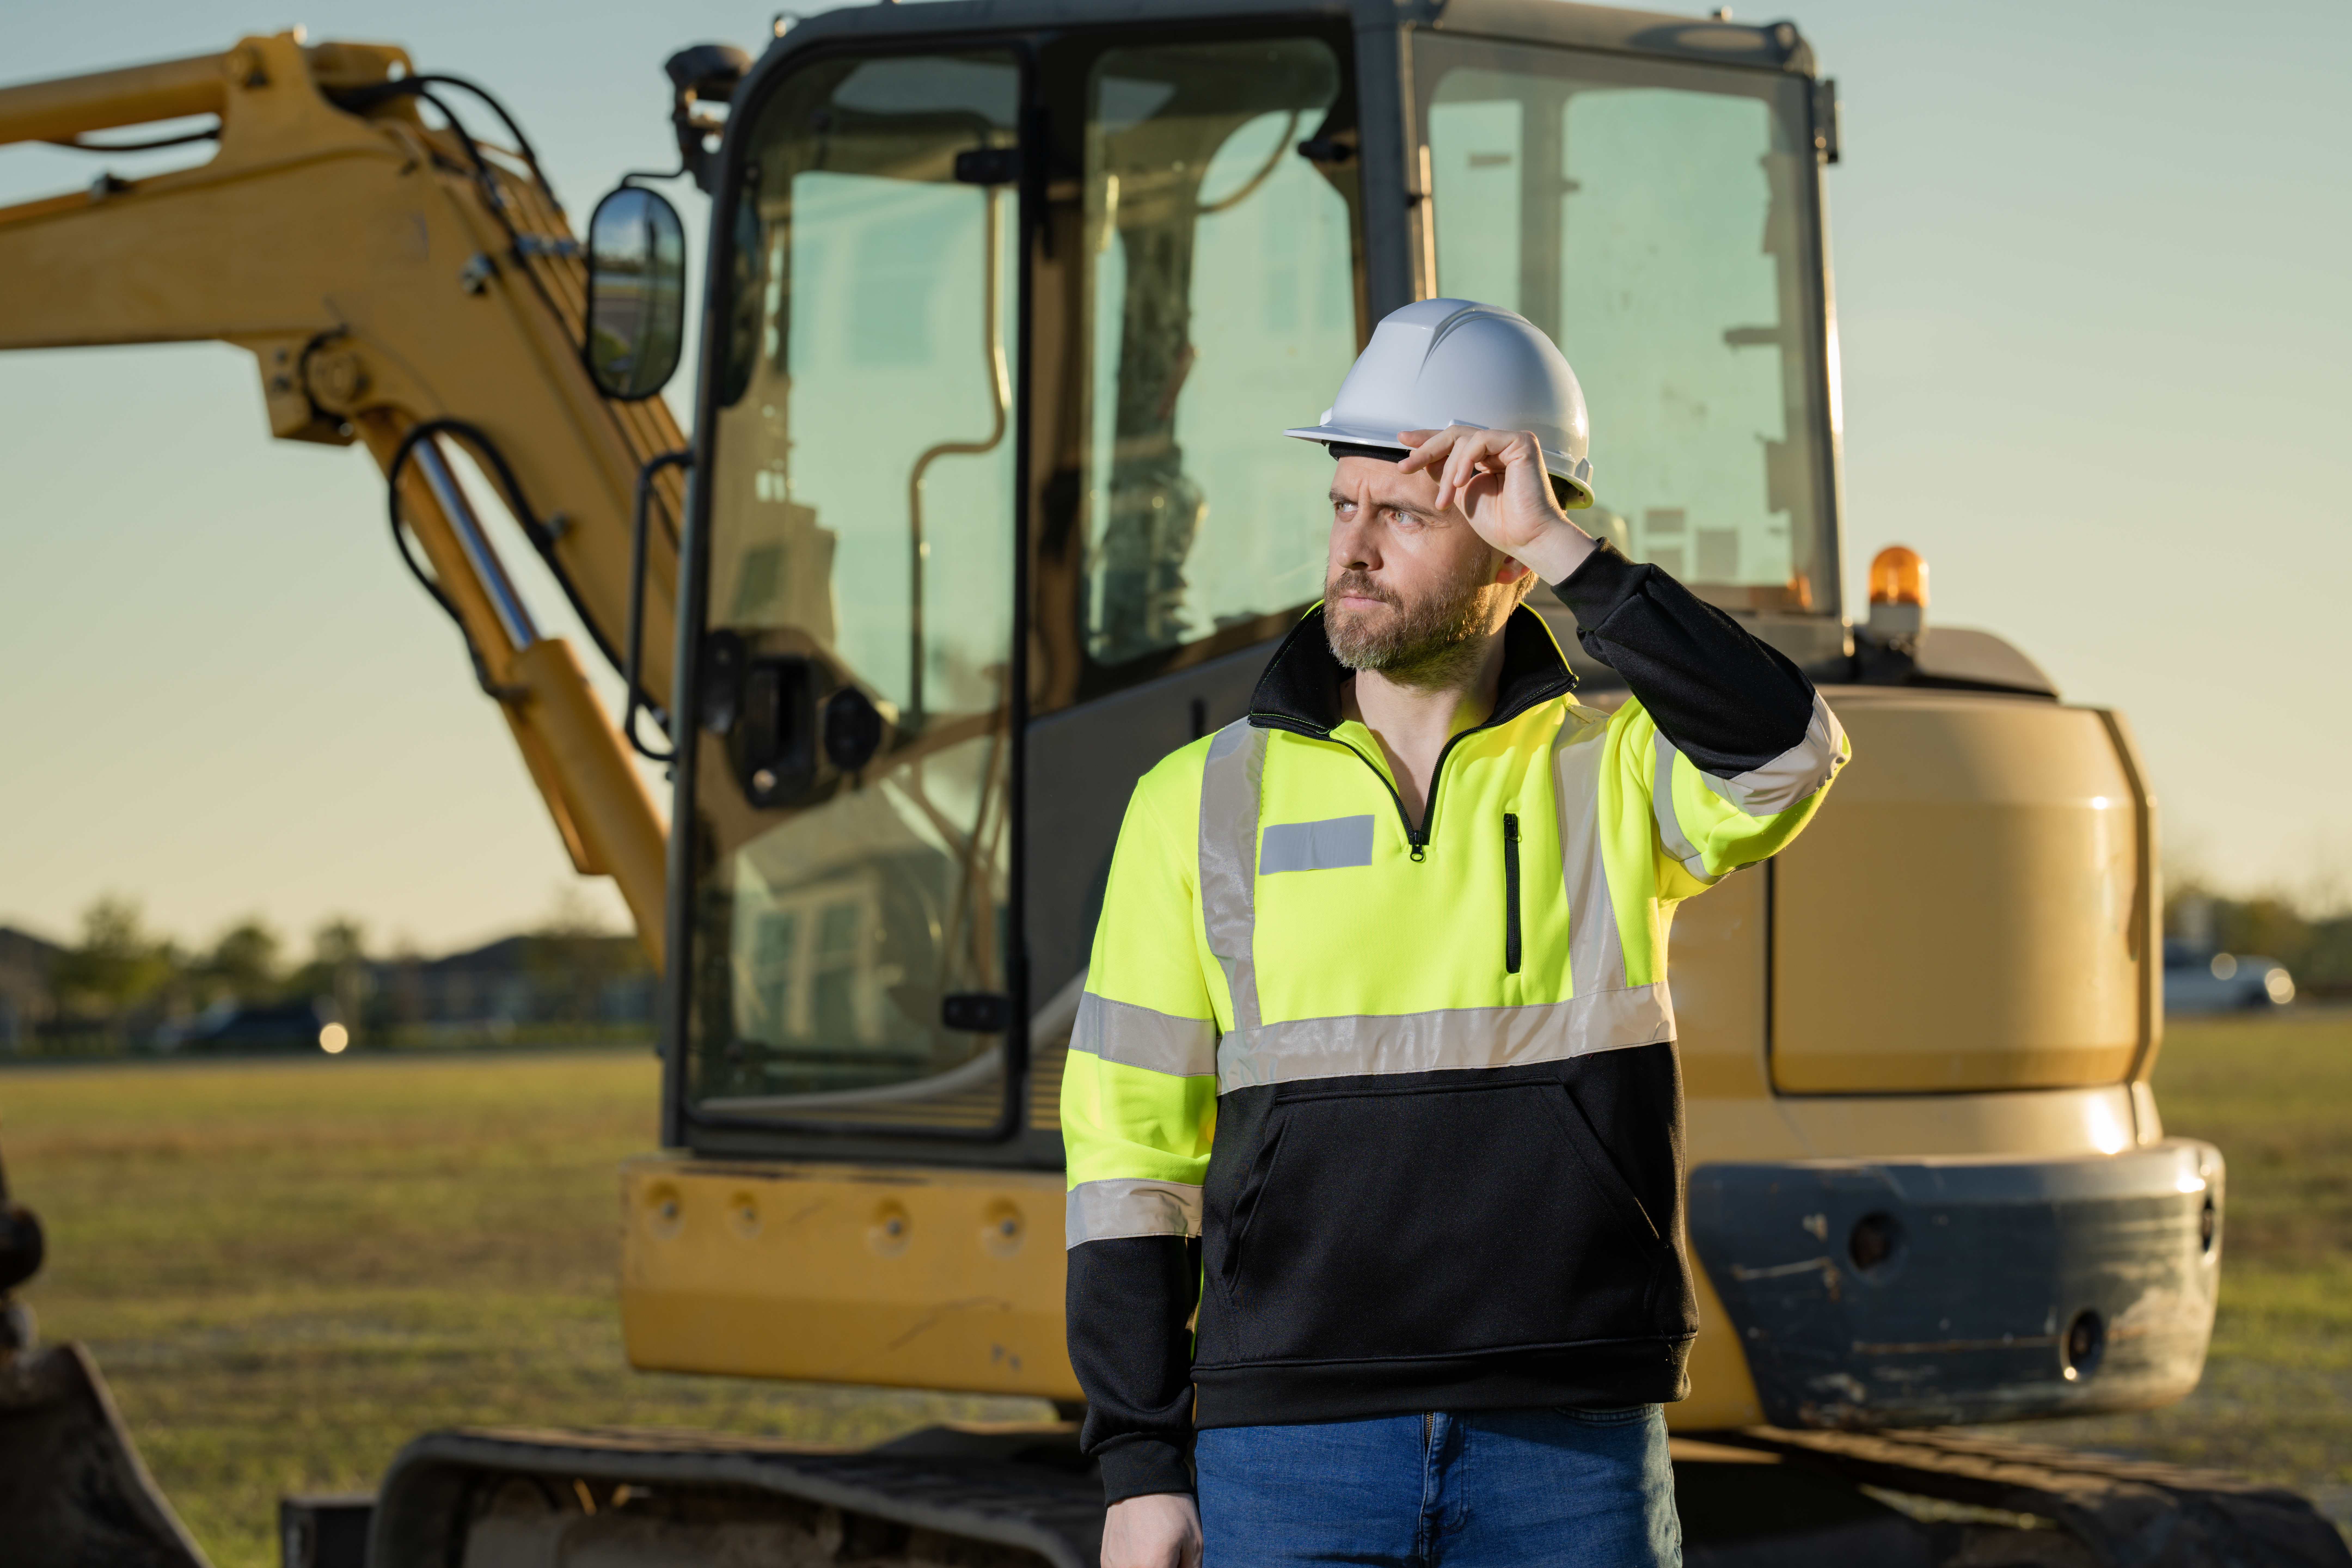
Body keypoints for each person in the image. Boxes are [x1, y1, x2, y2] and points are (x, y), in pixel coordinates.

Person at [1060, 299, 1849, 1567]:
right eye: (1344, 506)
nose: (1356, 548)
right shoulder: (1198, 800)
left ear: (1505, 547)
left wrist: (1576, 553)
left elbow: (1789, 749)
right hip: (1292, 1445)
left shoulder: (1616, 774)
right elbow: (1126, 1158)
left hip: (1572, 1441)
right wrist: (1140, 1464)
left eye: (1409, 513)